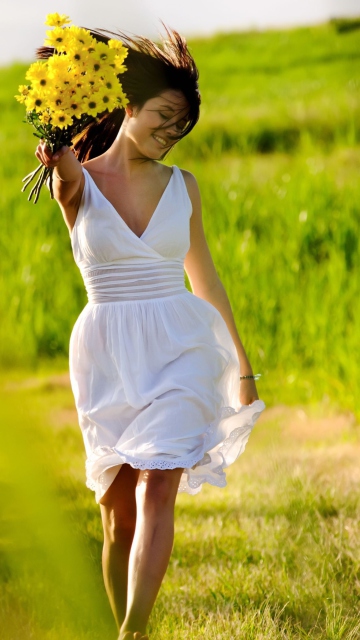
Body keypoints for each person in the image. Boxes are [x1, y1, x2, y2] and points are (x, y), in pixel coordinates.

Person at [36, 26, 265, 640]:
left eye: (181, 127)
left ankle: (132, 632)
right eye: (165, 117)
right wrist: (55, 148)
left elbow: (207, 282)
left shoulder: (182, 187)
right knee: (116, 518)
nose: (170, 134)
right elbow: (60, 173)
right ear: (128, 106)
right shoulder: (77, 183)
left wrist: (241, 370)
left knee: (159, 480)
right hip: (108, 355)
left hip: (179, 348)